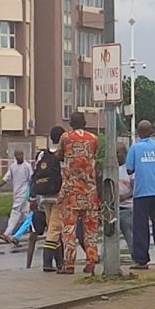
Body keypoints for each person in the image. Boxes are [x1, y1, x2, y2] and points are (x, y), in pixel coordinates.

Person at [56, 112, 100, 275]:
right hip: (90, 192)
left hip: (71, 193)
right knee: (91, 230)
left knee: (69, 230)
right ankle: (91, 262)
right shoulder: (94, 139)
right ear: (85, 122)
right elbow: (93, 155)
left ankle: (69, 264)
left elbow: (60, 155)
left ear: (70, 124)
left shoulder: (65, 137)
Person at [127, 120, 155, 270]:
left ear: (138, 133)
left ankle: (142, 261)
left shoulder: (134, 148)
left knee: (141, 227)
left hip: (141, 193)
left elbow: (129, 169)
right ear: (151, 131)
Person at [34, 126, 65, 271]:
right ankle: (47, 263)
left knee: (54, 229)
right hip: (59, 196)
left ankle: (60, 262)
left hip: (44, 197)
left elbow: (35, 174)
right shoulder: (62, 155)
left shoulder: (42, 155)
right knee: (54, 230)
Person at [0, 150, 34, 245]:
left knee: (15, 213)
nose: (20, 156)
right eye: (18, 155)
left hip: (24, 194)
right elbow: (6, 178)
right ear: (15, 156)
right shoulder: (13, 166)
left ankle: (7, 233)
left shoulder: (27, 166)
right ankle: (31, 231)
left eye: (21, 154)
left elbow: (31, 179)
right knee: (26, 215)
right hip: (16, 194)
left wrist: (31, 193)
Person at [117, 142, 134, 252]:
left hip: (128, 208)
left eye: (118, 153)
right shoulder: (111, 168)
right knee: (109, 237)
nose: (116, 155)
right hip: (113, 209)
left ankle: (137, 259)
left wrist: (124, 197)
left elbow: (135, 188)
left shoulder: (130, 168)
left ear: (125, 153)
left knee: (131, 237)